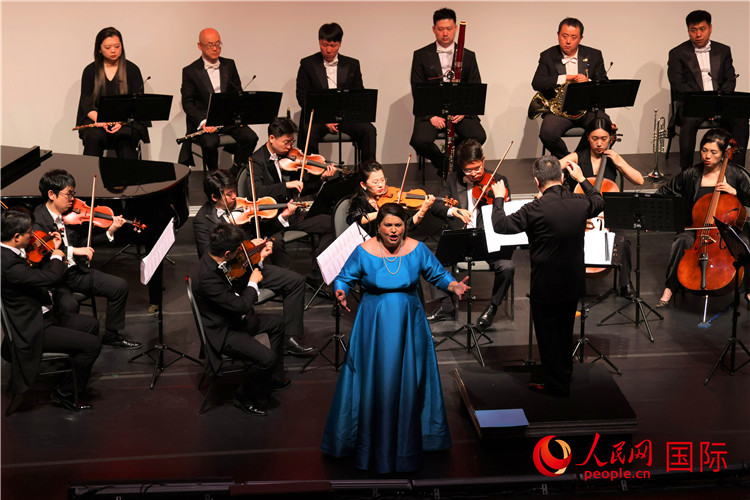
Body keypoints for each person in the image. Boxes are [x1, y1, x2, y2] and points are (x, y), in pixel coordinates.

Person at [322, 203, 470, 473]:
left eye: (398, 225)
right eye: (388, 225)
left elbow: (437, 274)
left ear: (405, 226)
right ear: (378, 227)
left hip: (408, 322)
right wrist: (341, 290)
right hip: (374, 323)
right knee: (376, 379)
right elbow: (344, 277)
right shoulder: (363, 251)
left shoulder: (417, 249)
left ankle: (410, 442)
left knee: (409, 378)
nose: (393, 230)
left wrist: (453, 285)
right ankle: (370, 443)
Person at [491, 156, 604, 396]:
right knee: (564, 333)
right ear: (562, 177)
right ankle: (563, 378)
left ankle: (556, 386)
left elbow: (501, 225)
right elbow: (598, 201)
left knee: (547, 336)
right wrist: (582, 179)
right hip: (572, 282)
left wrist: (498, 197)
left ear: (536, 181)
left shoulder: (534, 208)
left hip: (546, 284)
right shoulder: (579, 202)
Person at [193, 170, 315, 357]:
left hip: (253, 265)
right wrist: (248, 250)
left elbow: (264, 229)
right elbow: (213, 259)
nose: (235, 197)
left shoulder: (242, 207)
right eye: (229, 194)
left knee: (296, 281)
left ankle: (290, 338)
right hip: (233, 277)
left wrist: (282, 218)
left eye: (235, 191)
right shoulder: (203, 221)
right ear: (214, 197)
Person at [1, 209, 101, 411]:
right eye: (29, 232)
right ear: (16, 237)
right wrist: (56, 256)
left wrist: (52, 247)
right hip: (34, 327)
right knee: (92, 345)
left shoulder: (12, 252)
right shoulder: (9, 264)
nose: (33, 235)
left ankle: (70, 375)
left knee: (91, 324)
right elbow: (51, 278)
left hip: (43, 315)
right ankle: (65, 392)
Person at [32, 169, 140, 349]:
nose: (73, 199)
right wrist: (74, 250)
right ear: (51, 194)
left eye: (73, 193)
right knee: (69, 305)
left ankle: (111, 336)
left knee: (119, 286)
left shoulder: (70, 215)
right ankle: (70, 347)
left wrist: (110, 231)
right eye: (68, 194)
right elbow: (43, 253)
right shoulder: (37, 220)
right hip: (55, 279)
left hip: (75, 272)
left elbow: (83, 242)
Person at [191, 223, 290, 416]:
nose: (240, 253)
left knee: (277, 323)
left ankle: (272, 377)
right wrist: (253, 282)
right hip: (224, 332)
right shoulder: (207, 278)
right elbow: (242, 306)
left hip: (233, 318)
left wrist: (259, 259)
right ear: (227, 253)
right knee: (267, 358)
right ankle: (244, 396)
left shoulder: (213, 257)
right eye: (237, 250)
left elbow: (236, 282)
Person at [655, 128, 750, 307]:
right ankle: (670, 287)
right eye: (704, 150)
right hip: (697, 228)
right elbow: (664, 192)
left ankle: (749, 291)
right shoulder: (691, 174)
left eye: (714, 152)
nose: (707, 156)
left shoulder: (735, 174)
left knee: (744, 243)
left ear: (724, 154)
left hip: (727, 230)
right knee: (682, 240)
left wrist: (736, 192)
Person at [427, 139, 515, 328]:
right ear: (461, 167)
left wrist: (499, 199)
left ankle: (492, 308)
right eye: (468, 170)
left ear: (483, 160)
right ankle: (446, 306)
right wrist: (454, 211)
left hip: (489, 240)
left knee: (507, 267)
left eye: (477, 168)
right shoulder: (452, 180)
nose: (474, 173)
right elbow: (436, 205)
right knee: (431, 260)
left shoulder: (498, 181)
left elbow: (508, 212)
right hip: (462, 240)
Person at [560, 117, 645, 298]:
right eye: (595, 138)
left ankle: (625, 283)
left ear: (610, 138)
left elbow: (639, 180)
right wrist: (556, 177)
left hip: (606, 217)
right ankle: (570, 280)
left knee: (624, 241)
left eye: (604, 139)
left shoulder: (613, 159)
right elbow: (551, 169)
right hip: (580, 216)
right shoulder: (578, 157)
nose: (599, 143)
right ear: (587, 137)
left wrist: (619, 162)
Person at [667, 10, 748, 169]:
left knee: (741, 119)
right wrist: (705, 104)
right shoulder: (677, 53)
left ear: (710, 28)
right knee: (689, 120)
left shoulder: (723, 50)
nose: (698, 34)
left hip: (721, 102)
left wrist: (717, 102)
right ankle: (686, 170)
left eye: (702, 29)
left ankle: (737, 169)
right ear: (688, 30)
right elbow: (678, 84)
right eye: (693, 30)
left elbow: (730, 80)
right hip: (693, 103)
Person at [409, 8, 486, 176]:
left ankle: (455, 164)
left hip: (460, 110)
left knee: (478, 135)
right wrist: (431, 116)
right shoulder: (421, 55)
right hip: (432, 111)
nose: (445, 33)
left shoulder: (469, 55)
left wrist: (464, 111)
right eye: (441, 29)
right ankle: (444, 164)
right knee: (419, 140)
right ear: (434, 29)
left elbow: (475, 86)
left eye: (449, 29)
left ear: (456, 28)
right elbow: (417, 88)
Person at [248, 117, 337, 260]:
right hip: (273, 218)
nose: (290, 147)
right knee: (277, 245)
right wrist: (285, 185)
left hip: (292, 212)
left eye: (292, 142)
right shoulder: (256, 161)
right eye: (286, 142)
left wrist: (322, 178)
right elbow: (256, 192)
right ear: (272, 138)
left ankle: (319, 270)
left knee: (331, 223)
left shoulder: (288, 157)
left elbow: (300, 188)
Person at [295, 22, 377, 163]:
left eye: (333, 46)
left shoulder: (352, 64)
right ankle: (316, 172)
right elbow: (302, 96)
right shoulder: (307, 64)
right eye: (324, 45)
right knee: (309, 131)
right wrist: (324, 118)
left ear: (340, 43)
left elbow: (358, 94)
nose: (328, 50)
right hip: (318, 118)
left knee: (369, 130)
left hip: (345, 117)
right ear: (319, 42)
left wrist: (344, 115)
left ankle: (368, 171)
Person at [180, 28, 259, 171]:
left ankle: (236, 171)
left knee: (251, 137)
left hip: (228, 119)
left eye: (218, 44)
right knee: (210, 143)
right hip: (206, 121)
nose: (215, 48)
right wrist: (203, 121)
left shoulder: (229, 65)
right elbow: (188, 102)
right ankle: (214, 176)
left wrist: (241, 116)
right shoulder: (190, 71)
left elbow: (238, 93)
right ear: (200, 46)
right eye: (210, 45)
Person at [531, 18, 609, 159]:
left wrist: (588, 82)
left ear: (580, 38)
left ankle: (580, 159)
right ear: (558, 35)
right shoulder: (548, 55)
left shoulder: (594, 55)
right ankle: (568, 160)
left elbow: (604, 84)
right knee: (547, 133)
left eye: (573, 37)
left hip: (588, 110)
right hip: (560, 112)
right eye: (564, 36)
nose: (568, 41)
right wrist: (564, 78)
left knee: (604, 127)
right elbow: (537, 83)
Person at [76, 27, 148, 159]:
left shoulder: (132, 70)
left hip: (126, 122)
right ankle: (90, 172)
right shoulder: (90, 71)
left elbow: (138, 104)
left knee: (125, 138)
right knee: (94, 137)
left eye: (117, 46)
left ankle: (129, 174)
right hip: (98, 122)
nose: (113, 50)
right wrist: (99, 119)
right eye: (108, 47)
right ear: (99, 49)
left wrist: (121, 122)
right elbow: (85, 103)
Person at [346, 160, 435, 237]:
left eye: (382, 180)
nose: (380, 185)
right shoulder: (359, 201)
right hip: (370, 246)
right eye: (375, 182)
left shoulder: (390, 197)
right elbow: (354, 219)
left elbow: (408, 226)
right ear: (363, 185)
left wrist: (423, 210)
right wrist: (383, 212)